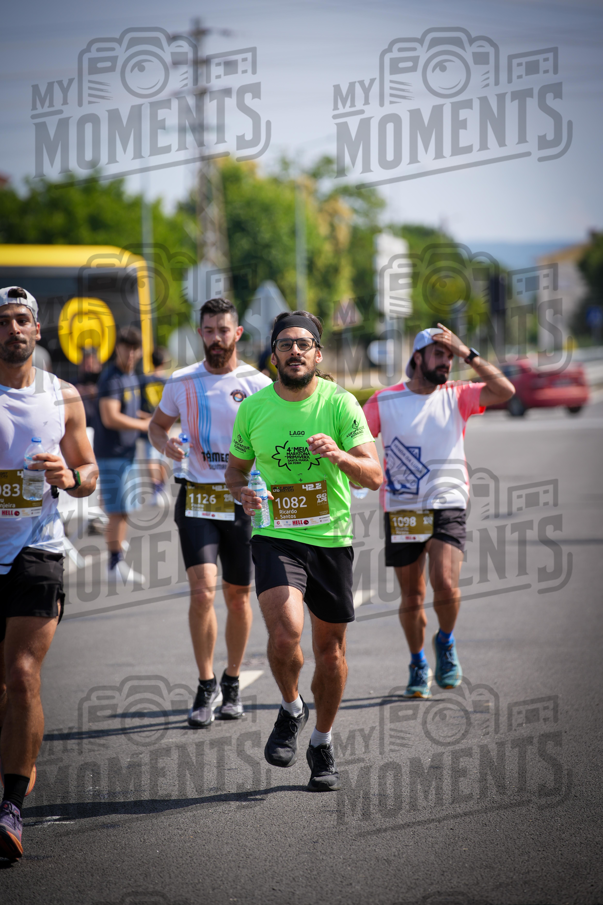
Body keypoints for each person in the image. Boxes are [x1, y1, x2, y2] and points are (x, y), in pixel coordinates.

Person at [225, 311, 382, 792]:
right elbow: (234, 473)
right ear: (273, 355)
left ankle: (321, 740)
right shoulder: (253, 409)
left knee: (330, 653)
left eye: (304, 344)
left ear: (318, 354)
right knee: (285, 632)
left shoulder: (340, 404)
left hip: (331, 541)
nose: (295, 351)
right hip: (276, 533)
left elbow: (374, 476)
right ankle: (292, 706)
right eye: (285, 344)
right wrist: (242, 494)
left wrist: (339, 455)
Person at [363, 324, 515, 699]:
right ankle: (417, 661)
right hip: (402, 507)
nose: (446, 362)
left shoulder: (458, 395)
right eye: (439, 354)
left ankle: (445, 642)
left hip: (449, 501)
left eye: (449, 356)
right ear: (417, 358)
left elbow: (505, 391)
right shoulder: (384, 401)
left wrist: (467, 352)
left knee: (445, 583)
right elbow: (359, 444)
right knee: (412, 595)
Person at [0, 286, 98, 860]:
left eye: (22, 320)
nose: (14, 329)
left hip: (39, 547)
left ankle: (11, 807)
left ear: (38, 330)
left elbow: (89, 475)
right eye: (4, 321)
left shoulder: (62, 395)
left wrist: (68, 476)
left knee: (22, 674)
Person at [149, 298, 271, 727]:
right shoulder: (182, 382)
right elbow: (157, 425)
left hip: (242, 502)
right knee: (202, 591)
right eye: (209, 331)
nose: (217, 339)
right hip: (198, 498)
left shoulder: (258, 383)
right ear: (199, 333)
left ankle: (232, 680)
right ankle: (205, 684)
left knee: (238, 597)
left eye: (224, 331)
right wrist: (164, 444)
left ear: (238, 334)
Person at [94, 326, 151, 585]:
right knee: (117, 510)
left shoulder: (131, 376)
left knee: (124, 509)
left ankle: (116, 560)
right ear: (118, 348)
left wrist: (152, 419)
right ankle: (114, 563)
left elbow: (130, 411)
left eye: (135, 348)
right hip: (111, 454)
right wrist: (145, 426)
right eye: (126, 347)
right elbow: (110, 416)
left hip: (126, 453)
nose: (130, 354)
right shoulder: (112, 377)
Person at [139, 347, 169, 504]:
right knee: (161, 459)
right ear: (163, 362)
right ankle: (162, 489)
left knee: (151, 460)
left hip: (149, 425)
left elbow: (139, 406)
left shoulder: (144, 381)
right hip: (165, 425)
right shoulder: (168, 381)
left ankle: (157, 490)